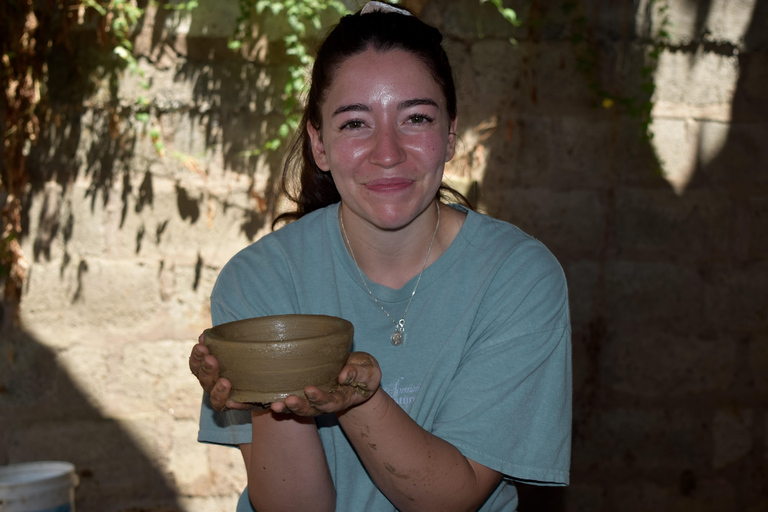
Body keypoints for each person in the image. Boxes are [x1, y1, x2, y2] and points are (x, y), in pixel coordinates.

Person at [189, 2, 571, 511]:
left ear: (451, 134)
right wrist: (265, 392)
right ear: (319, 145)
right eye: (354, 124)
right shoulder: (259, 280)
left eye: (415, 118)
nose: (387, 152)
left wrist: (355, 399)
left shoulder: (517, 277)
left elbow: (449, 498)